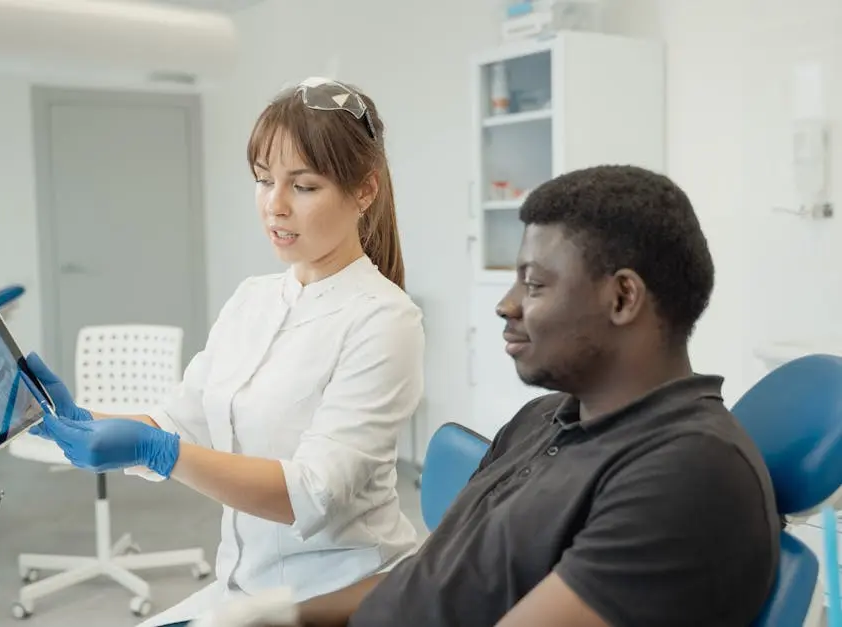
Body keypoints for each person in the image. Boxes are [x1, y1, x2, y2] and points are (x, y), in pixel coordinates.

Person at [196, 165, 782, 627]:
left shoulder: (686, 474)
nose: (506, 304)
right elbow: (434, 575)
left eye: (534, 283)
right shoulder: (547, 418)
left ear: (623, 298)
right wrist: (290, 616)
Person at [29, 76, 425, 627]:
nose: (275, 206)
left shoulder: (384, 320)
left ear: (364, 191)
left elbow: (312, 495)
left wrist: (158, 452)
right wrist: (82, 421)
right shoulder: (253, 299)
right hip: (242, 585)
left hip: (335, 596)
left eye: (304, 186)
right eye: (264, 181)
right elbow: (181, 419)